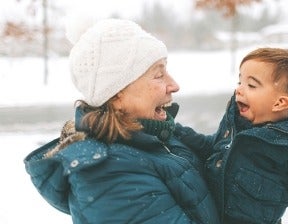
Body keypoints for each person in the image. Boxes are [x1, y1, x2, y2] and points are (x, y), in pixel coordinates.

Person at [24, 18, 220, 224]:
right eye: (159, 75)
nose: (174, 85)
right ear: (117, 93)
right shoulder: (108, 173)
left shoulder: (154, 136)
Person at [175, 47, 288, 224]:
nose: (239, 89)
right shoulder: (234, 123)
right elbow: (213, 146)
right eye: (240, 82)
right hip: (211, 216)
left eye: (251, 85)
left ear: (279, 103)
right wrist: (176, 131)